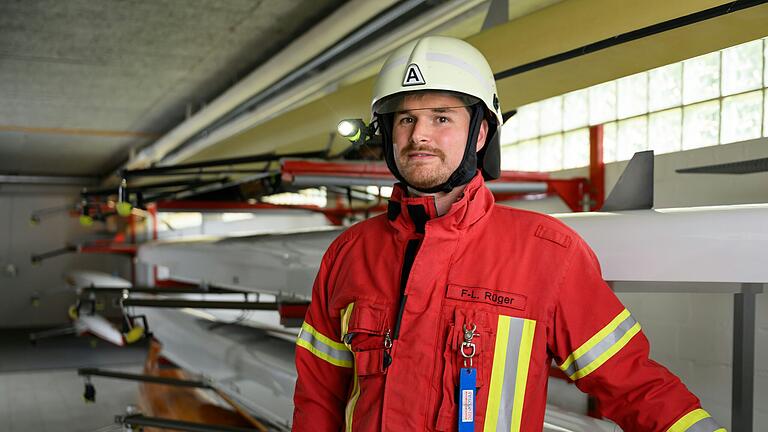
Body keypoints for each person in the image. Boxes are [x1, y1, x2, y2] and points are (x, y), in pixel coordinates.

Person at [293, 36, 724, 432]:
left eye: (441, 117)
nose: (419, 135)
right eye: (406, 118)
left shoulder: (548, 254)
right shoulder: (348, 253)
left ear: (480, 133)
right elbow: (318, 395)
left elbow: (633, 384)